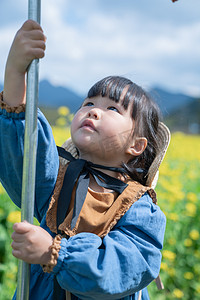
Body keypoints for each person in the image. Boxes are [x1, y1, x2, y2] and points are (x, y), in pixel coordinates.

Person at [0, 20, 170, 300]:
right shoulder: (56, 178)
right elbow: (23, 154)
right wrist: (16, 71)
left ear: (137, 146)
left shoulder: (139, 206)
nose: (93, 112)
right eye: (89, 104)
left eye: (112, 108)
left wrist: (54, 254)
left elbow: (125, 266)